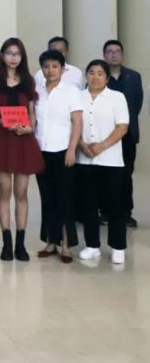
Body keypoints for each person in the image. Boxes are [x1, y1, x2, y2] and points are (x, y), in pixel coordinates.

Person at [0, 38, 44, 262]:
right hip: (2, 139)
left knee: (21, 192)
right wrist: (1, 121)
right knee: (4, 190)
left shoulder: (28, 81)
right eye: (9, 53)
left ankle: (21, 243)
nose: (13, 57)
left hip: (23, 139)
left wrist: (30, 127)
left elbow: (32, 112)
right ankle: (6, 243)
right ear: (2, 55)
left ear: (22, 56)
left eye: (17, 53)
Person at [77, 60, 130, 264]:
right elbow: (72, 124)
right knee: (88, 204)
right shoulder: (78, 97)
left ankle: (118, 246)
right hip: (84, 159)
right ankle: (92, 245)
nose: (95, 77)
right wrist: (82, 145)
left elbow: (122, 127)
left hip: (111, 160)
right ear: (86, 76)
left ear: (107, 78)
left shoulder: (117, 97)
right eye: (91, 72)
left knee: (114, 205)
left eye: (100, 73)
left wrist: (102, 146)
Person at [34, 50, 82, 263]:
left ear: (63, 69)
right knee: (47, 198)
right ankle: (50, 242)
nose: (50, 70)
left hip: (63, 151)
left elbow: (77, 123)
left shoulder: (71, 91)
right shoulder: (37, 91)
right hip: (41, 151)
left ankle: (66, 245)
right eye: (46, 66)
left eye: (54, 66)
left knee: (64, 199)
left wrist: (72, 149)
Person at [103, 39, 143, 227]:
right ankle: (105, 212)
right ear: (104, 55)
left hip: (127, 135)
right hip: (105, 135)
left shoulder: (134, 77)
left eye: (117, 51)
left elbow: (137, 104)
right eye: (109, 51)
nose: (113, 54)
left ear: (122, 54)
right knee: (106, 175)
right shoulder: (100, 75)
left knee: (125, 175)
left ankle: (126, 213)